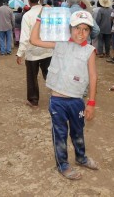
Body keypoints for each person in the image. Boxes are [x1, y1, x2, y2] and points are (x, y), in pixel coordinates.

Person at [30, 10, 99, 180]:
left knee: (78, 132)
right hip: (58, 100)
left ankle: (81, 158)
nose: (80, 33)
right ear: (69, 28)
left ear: (90, 32)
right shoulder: (60, 43)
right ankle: (63, 165)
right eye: (77, 28)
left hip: (76, 101)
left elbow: (93, 76)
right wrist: (40, 18)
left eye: (85, 29)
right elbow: (34, 40)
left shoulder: (90, 51)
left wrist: (91, 103)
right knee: (60, 134)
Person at [16, 0, 53, 108]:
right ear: (39, 0)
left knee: (32, 77)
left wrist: (20, 53)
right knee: (50, 75)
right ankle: (57, 97)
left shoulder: (27, 15)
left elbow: (25, 37)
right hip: (48, 49)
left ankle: (33, 100)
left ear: (29, 1)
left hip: (32, 52)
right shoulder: (49, 12)